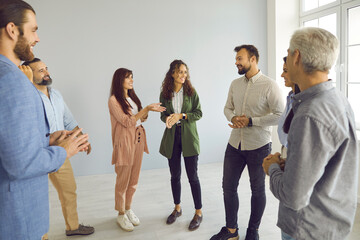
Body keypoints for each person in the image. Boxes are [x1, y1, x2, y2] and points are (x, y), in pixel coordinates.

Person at [0, 1, 89, 239]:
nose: (37, 38)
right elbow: (19, 165)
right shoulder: (14, 82)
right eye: (33, 30)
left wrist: (47, 139)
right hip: (19, 220)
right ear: (12, 30)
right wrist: (65, 151)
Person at [263, 27, 359, 240]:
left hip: (307, 228)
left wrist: (272, 169)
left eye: (288, 54)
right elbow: (325, 164)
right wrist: (292, 166)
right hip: (329, 223)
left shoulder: (309, 115)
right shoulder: (338, 100)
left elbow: (293, 196)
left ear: (296, 56)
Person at [211, 45, 284, 240]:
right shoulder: (235, 84)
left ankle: (253, 230)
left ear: (253, 59)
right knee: (228, 187)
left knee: (258, 190)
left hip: (259, 146)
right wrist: (234, 118)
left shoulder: (270, 85)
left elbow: (280, 115)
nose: (236, 62)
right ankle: (231, 230)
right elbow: (227, 108)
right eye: (236, 58)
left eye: (240, 58)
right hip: (235, 145)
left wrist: (252, 121)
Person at [22, 58, 95, 238]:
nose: (46, 72)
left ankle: (73, 227)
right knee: (37, 200)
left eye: (46, 69)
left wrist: (82, 139)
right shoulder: (27, 97)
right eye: (40, 70)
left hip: (60, 151)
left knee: (69, 190)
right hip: (37, 154)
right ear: (29, 74)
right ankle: (41, 236)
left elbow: (68, 120)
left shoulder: (56, 95)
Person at [108, 68, 165, 232]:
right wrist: (145, 110)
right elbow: (126, 122)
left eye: (132, 77)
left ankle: (127, 208)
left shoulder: (131, 98)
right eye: (128, 77)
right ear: (120, 80)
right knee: (123, 178)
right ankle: (120, 214)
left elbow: (140, 119)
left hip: (138, 138)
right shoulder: (114, 100)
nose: (131, 80)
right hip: (125, 141)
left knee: (134, 178)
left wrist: (146, 112)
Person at [159, 60, 203, 231]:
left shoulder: (191, 92)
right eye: (179, 72)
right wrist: (168, 120)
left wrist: (181, 116)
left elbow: (198, 113)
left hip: (189, 137)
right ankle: (177, 208)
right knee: (174, 175)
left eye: (185, 72)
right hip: (172, 137)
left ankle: (198, 212)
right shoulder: (165, 93)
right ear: (172, 74)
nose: (183, 75)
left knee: (193, 177)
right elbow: (163, 115)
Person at [277, 56, 300, 160]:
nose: (282, 75)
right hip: (285, 151)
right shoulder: (291, 97)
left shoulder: (302, 103)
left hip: (293, 154)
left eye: (285, 71)